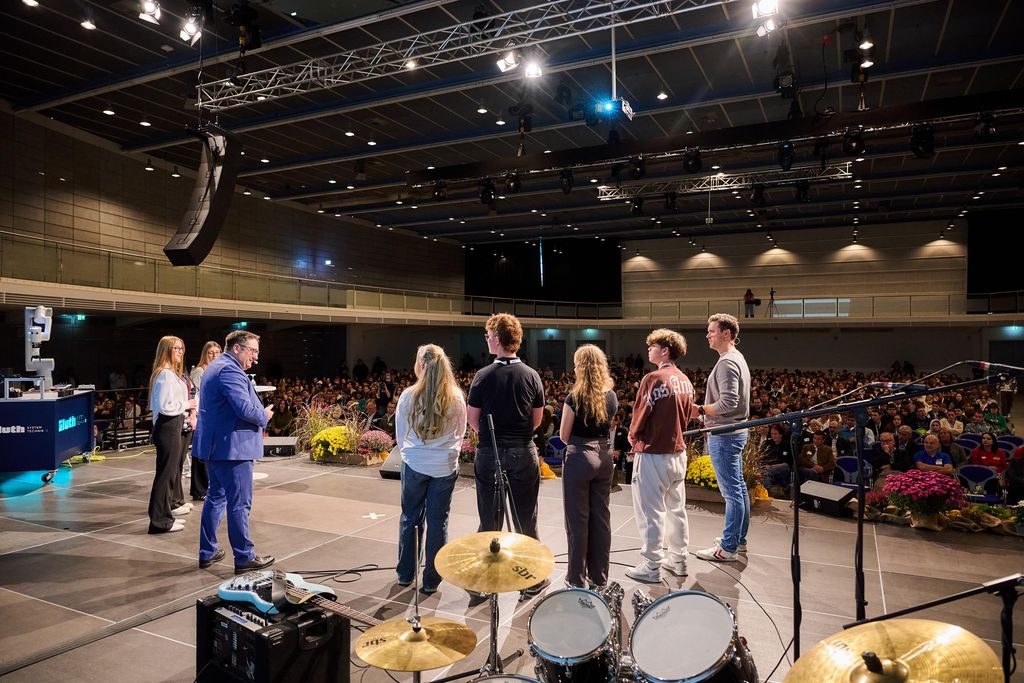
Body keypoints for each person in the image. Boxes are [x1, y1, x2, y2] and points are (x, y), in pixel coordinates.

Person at [466, 313, 547, 593]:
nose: (487, 339)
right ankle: (532, 580)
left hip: (490, 452)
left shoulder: (483, 376)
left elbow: (473, 420)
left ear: (498, 339)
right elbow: (536, 420)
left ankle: (483, 584)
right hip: (523, 452)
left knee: (489, 521)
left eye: (488, 336)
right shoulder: (532, 375)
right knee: (526, 518)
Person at [194, 330, 274, 573]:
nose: (256, 358)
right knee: (239, 503)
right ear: (237, 348)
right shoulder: (229, 370)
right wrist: (265, 415)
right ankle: (244, 557)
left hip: (217, 447)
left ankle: (207, 552)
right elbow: (245, 409)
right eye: (253, 351)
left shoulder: (215, 366)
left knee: (216, 498)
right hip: (232, 449)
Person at [395, 344, 467, 595]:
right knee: (438, 522)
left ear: (421, 365)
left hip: (414, 463)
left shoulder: (408, 396)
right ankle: (431, 580)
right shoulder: (456, 397)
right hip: (444, 467)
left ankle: (405, 574)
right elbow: (461, 432)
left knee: (410, 518)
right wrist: (448, 454)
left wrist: (410, 455)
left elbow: (400, 434)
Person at [625, 329, 695, 583]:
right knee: (677, 509)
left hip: (654, 452)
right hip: (678, 452)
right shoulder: (686, 380)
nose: (648, 350)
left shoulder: (653, 378)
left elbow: (640, 415)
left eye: (652, 346)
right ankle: (679, 559)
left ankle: (652, 565)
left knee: (650, 511)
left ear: (665, 350)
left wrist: (633, 438)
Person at [559, 345, 618, 588]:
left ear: (581, 367)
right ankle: (599, 577)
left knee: (577, 521)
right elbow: (609, 427)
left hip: (579, 459)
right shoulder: (612, 395)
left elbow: (564, 435)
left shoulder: (574, 397)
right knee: (601, 519)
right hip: (604, 458)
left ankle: (576, 578)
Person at [695, 314, 751, 563]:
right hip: (734, 431)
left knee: (731, 493)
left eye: (711, 331)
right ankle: (738, 539)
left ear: (726, 333)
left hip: (725, 433)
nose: (707, 335)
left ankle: (728, 548)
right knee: (738, 488)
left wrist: (700, 409)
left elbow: (729, 402)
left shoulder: (728, 362)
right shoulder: (736, 358)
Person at [146, 336, 194, 534]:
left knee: (169, 473)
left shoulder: (169, 373)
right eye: (176, 348)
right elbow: (166, 407)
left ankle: (165, 515)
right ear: (165, 350)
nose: (180, 352)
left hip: (172, 424)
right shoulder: (165, 374)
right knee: (165, 475)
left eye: (182, 348)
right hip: (168, 425)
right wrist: (188, 405)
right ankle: (159, 521)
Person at [187, 341, 222, 501]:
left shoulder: (216, 370)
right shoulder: (199, 372)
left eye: (217, 352)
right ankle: (199, 489)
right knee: (201, 453)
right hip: (202, 416)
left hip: (212, 416)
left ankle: (206, 486)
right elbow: (198, 395)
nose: (214, 356)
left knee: (208, 454)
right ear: (204, 354)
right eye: (211, 353)